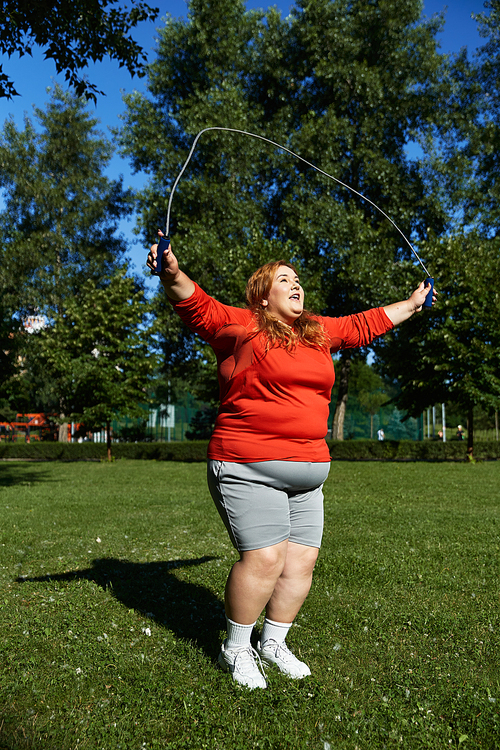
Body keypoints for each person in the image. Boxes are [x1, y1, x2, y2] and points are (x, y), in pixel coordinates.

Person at [147, 234, 435, 690]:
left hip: (308, 473)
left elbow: (364, 324)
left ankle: (273, 642)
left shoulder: (318, 333)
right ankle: (235, 649)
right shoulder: (242, 326)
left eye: (298, 280)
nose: (296, 285)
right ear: (264, 295)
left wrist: (412, 304)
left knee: (300, 563)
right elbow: (197, 306)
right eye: (285, 280)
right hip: (246, 466)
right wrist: (172, 273)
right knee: (264, 558)